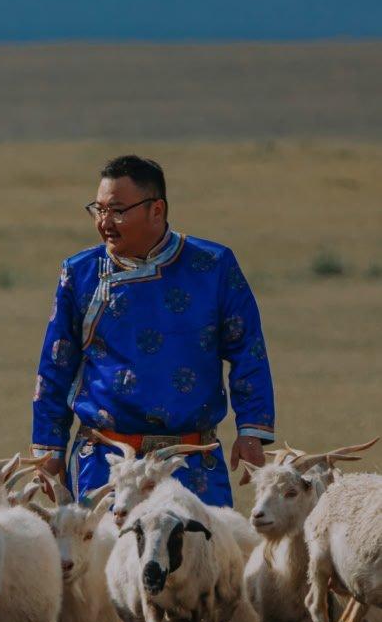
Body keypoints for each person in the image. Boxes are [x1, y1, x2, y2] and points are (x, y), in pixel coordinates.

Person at [31, 155, 274, 505]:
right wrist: (50, 446)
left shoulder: (212, 267)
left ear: (156, 210)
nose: (104, 222)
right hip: (106, 463)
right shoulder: (80, 273)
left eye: (117, 210)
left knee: (206, 557)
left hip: (190, 461)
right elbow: (56, 366)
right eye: (98, 210)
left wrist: (251, 430)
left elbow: (248, 350)